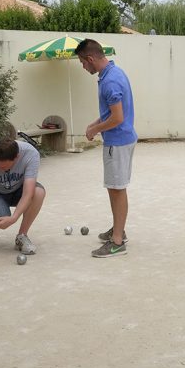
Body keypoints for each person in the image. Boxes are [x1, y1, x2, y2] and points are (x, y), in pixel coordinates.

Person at [76, 38, 137, 258]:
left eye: (83, 63)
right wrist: (96, 123)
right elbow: (112, 112)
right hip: (123, 139)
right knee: (116, 187)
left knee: (117, 189)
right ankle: (118, 229)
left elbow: (118, 118)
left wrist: (95, 131)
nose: (83, 67)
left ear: (90, 58)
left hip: (118, 141)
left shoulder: (110, 81)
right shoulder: (114, 72)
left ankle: (118, 242)